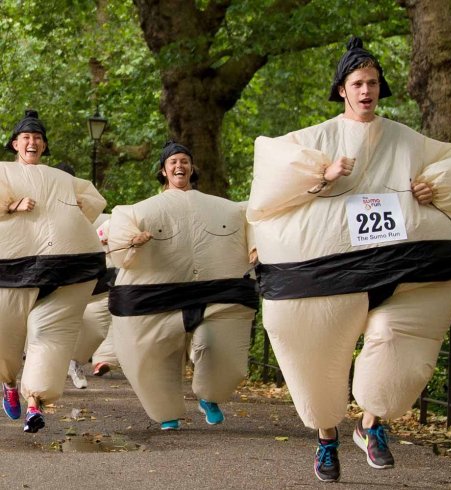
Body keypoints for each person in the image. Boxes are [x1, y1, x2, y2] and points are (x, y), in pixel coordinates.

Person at [246, 37, 451, 482]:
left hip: (405, 268)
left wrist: (434, 186)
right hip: (327, 274)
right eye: (358, 83)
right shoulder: (315, 139)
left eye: (372, 82)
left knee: (397, 342)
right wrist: (321, 176)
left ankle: (372, 425)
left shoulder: (406, 141)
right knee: (316, 352)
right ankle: (327, 438)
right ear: (342, 90)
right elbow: (267, 189)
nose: (366, 90)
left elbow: (450, 163)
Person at [108, 141, 258, 430]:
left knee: (218, 344)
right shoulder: (139, 212)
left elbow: (253, 220)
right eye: (173, 161)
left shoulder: (227, 210)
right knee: (154, 352)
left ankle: (210, 396)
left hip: (217, 291)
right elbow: (120, 248)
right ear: (163, 171)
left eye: (185, 161)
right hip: (158, 294)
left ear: (192, 168)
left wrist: (255, 247)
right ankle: (167, 412)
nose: (180, 166)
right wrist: (131, 242)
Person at [0, 110, 107, 433]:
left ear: (44, 146)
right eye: (26, 137)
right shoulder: (3, 173)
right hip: (12, 268)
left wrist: (70, 221)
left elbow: (92, 201)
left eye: (38, 138)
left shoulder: (64, 180)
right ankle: (9, 383)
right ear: (15, 143)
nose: (32, 142)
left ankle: (36, 402)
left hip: (66, 267)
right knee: (5, 336)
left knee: (51, 334)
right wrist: (10, 206)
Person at [67, 213, 119, 389]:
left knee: (96, 330)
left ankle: (75, 362)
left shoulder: (114, 222)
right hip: (70, 285)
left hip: (103, 286)